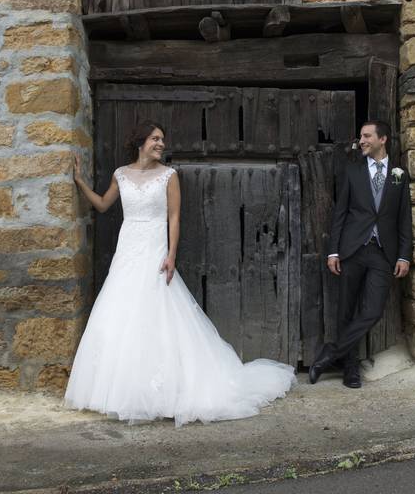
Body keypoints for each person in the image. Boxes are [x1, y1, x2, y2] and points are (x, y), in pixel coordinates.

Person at [64, 120, 296, 425]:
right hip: (127, 251)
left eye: (162, 139)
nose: (161, 143)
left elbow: (174, 218)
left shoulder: (169, 176)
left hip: (154, 250)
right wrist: (79, 181)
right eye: (155, 138)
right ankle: (123, 390)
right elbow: (105, 205)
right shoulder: (121, 174)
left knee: (156, 312)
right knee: (120, 312)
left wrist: (171, 255)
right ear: (140, 142)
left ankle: (165, 392)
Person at [308, 120, 413, 389]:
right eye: (361, 136)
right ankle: (350, 370)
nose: (362, 140)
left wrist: (404, 255)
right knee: (346, 311)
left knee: (372, 310)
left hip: (382, 253)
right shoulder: (353, 171)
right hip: (352, 250)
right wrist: (333, 251)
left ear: (383, 139)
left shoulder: (399, 173)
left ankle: (330, 354)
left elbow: (404, 217)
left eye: (367, 136)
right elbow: (340, 213)